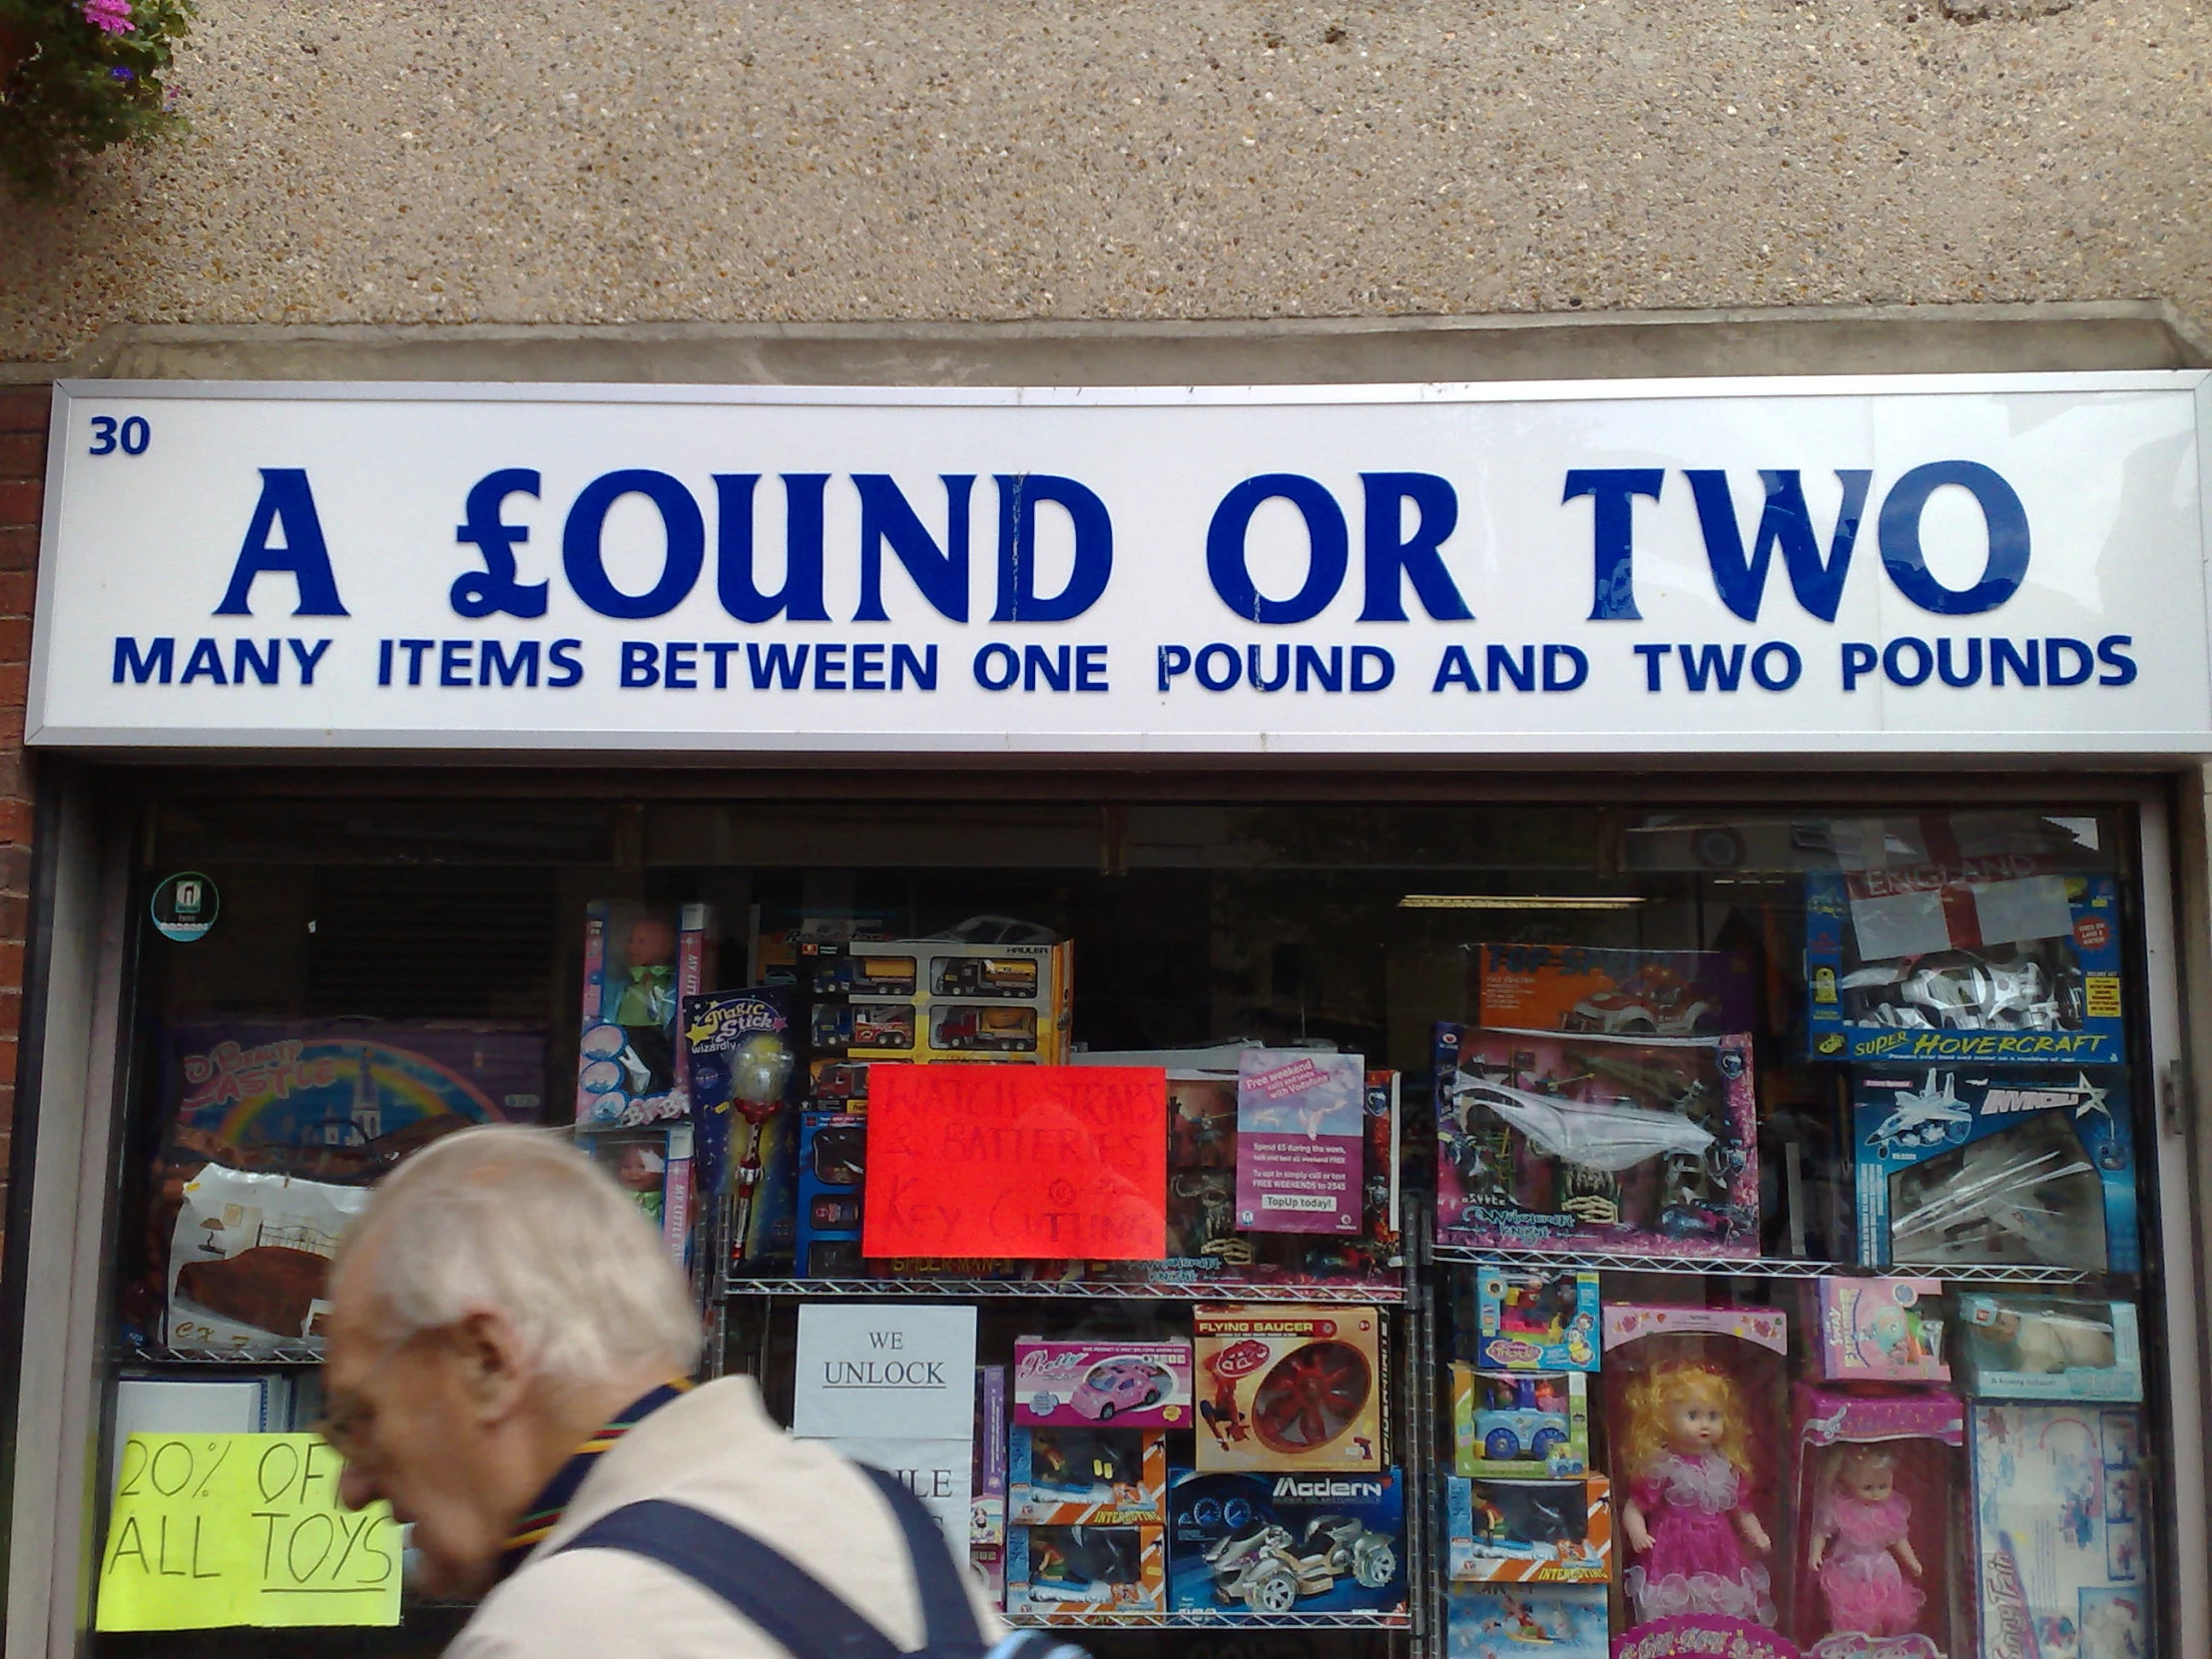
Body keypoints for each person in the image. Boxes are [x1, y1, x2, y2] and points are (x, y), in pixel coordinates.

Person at [321, 1125, 1004, 1658]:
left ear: (488, 1362)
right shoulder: (878, 1512)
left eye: (359, 1418)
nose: (351, 1488)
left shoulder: (566, 1628)